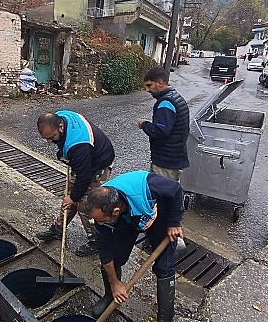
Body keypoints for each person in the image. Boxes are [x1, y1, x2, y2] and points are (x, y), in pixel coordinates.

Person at [86, 170, 184, 321]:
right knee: (115, 257)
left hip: (159, 215)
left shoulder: (148, 185)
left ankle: (166, 317)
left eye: (102, 221)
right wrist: (115, 284)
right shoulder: (102, 213)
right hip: (128, 220)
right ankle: (110, 296)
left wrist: (174, 223)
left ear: (115, 211)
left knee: (164, 266)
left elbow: (176, 190)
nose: (99, 224)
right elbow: (105, 253)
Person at [35, 110, 115, 257]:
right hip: (83, 160)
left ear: (60, 127)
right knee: (69, 197)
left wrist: (74, 197)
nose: (50, 141)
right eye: (47, 139)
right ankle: (60, 227)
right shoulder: (61, 115)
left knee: (87, 204)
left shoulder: (78, 145)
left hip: (97, 162)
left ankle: (96, 240)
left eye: (52, 137)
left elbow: (84, 177)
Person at [137, 67, 190, 180]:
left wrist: (144, 124)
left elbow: (161, 131)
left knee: (160, 193)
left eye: (149, 85)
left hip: (165, 162)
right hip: (175, 158)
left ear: (160, 83)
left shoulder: (166, 103)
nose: (147, 90)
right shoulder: (175, 97)